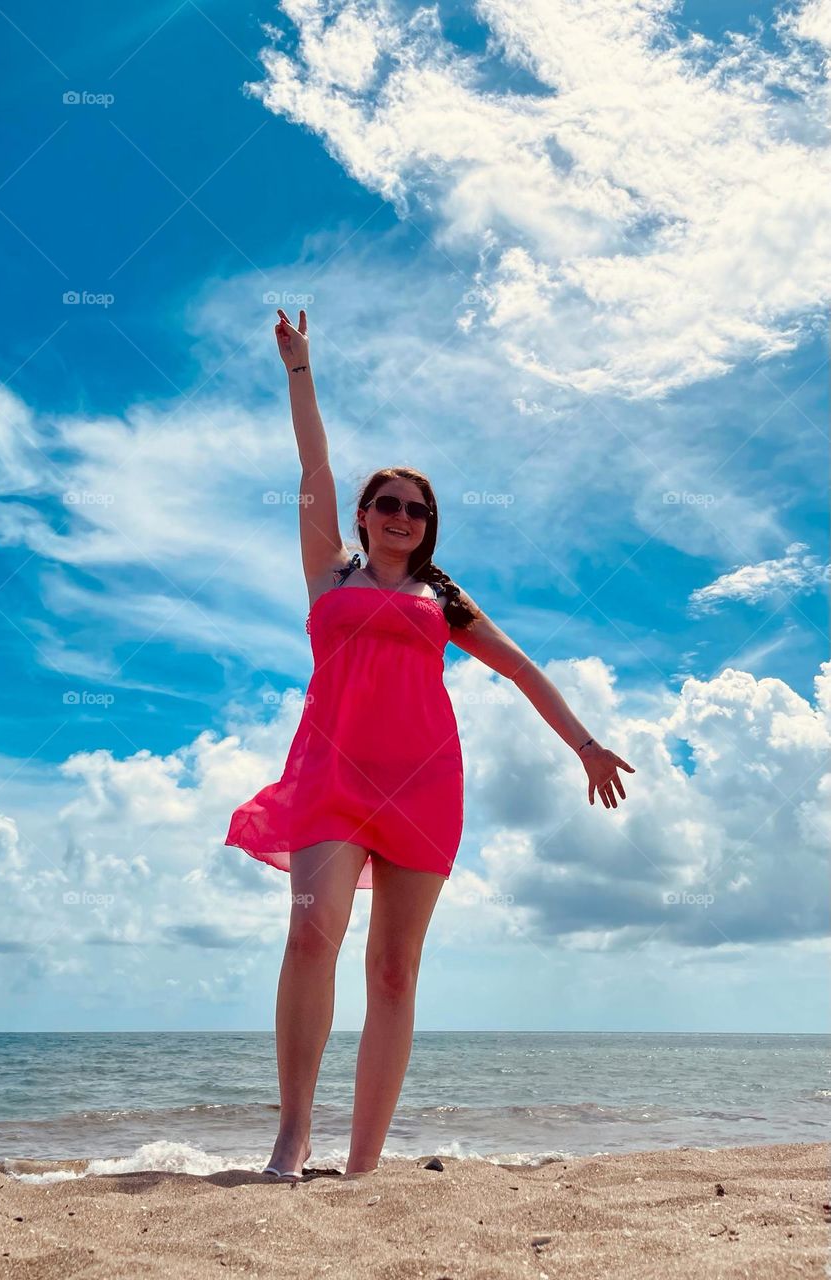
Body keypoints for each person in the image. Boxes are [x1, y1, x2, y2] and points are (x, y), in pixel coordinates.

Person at [224, 307, 635, 1182]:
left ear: (429, 523)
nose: (402, 515)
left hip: (421, 786)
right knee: (310, 937)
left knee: (394, 975)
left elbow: (523, 670)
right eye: (389, 504)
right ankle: (293, 1137)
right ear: (366, 516)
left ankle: (364, 1165)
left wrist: (587, 744)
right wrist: (301, 370)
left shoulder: (442, 602)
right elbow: (314, 464)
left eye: (418, 508)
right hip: (331, 775)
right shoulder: (328, 571)